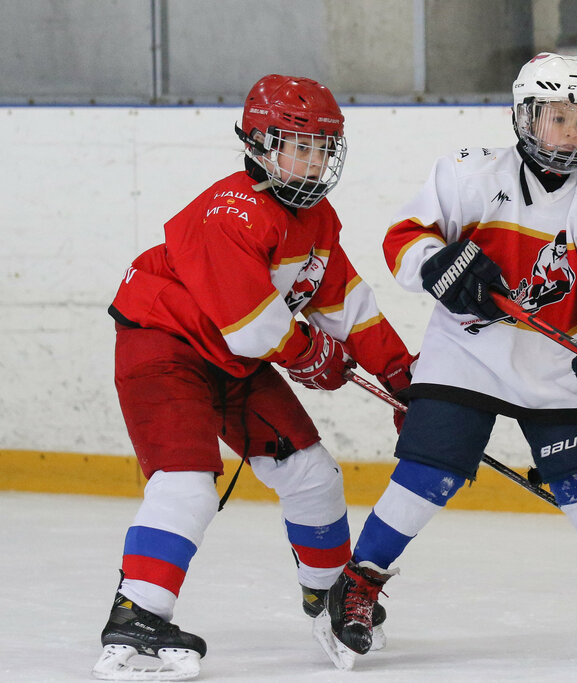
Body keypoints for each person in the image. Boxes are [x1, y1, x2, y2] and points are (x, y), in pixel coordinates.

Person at [314, 53, 577, 670]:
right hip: (466, 353)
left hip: (555, 363)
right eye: (558, 118)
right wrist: (440, 264)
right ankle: (360, 584)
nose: (572, 133)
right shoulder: (470, 173)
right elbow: (404, 238)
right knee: (430, 470)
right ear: (526, 117)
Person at [92, 74, 416, 681]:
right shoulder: (230, 211)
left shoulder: (316, 217)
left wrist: (400, 373)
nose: (316, 161)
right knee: (188, 483)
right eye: (302, 145)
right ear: (261, 143)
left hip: (231, 363)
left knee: (313, 475)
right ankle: (138, 613)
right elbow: (253, 328)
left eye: (324, 147)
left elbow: (345, 301)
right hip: (163, 347)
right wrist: (312, 354)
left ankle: (331, 599)